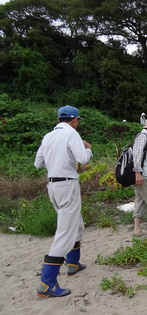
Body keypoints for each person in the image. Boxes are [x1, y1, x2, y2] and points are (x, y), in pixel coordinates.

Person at [34, 105, 93, 298]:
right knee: (65, 231)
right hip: (67, 184)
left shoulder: (48, 136)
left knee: (76, 225)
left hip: (53, 184)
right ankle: (47, 283)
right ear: (75, 120)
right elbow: (83, 159)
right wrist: (88, 148)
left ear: (59, 119)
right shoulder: (72, 134)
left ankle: (73, 264)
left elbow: (38, 163)